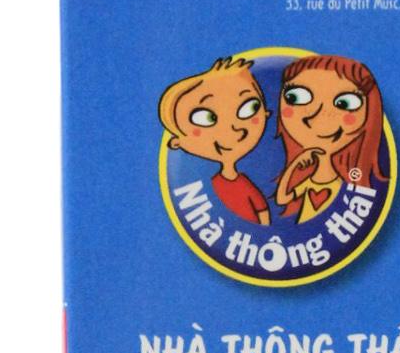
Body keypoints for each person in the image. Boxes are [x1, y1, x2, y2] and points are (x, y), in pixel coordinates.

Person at [158, 55, 270, 225]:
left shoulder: (242, 182)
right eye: (205, 118)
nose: (234, 129)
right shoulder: (205, 186)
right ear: (176, 142)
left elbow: (262, 209)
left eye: (249, 108)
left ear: (265, 113)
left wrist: (263, 231)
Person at [274, 54, 386, 222]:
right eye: (296, 97)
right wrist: (296, 164)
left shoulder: (347, 187)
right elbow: (281, 198)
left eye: (345, 103)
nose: (318, 115)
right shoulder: (309, 182)